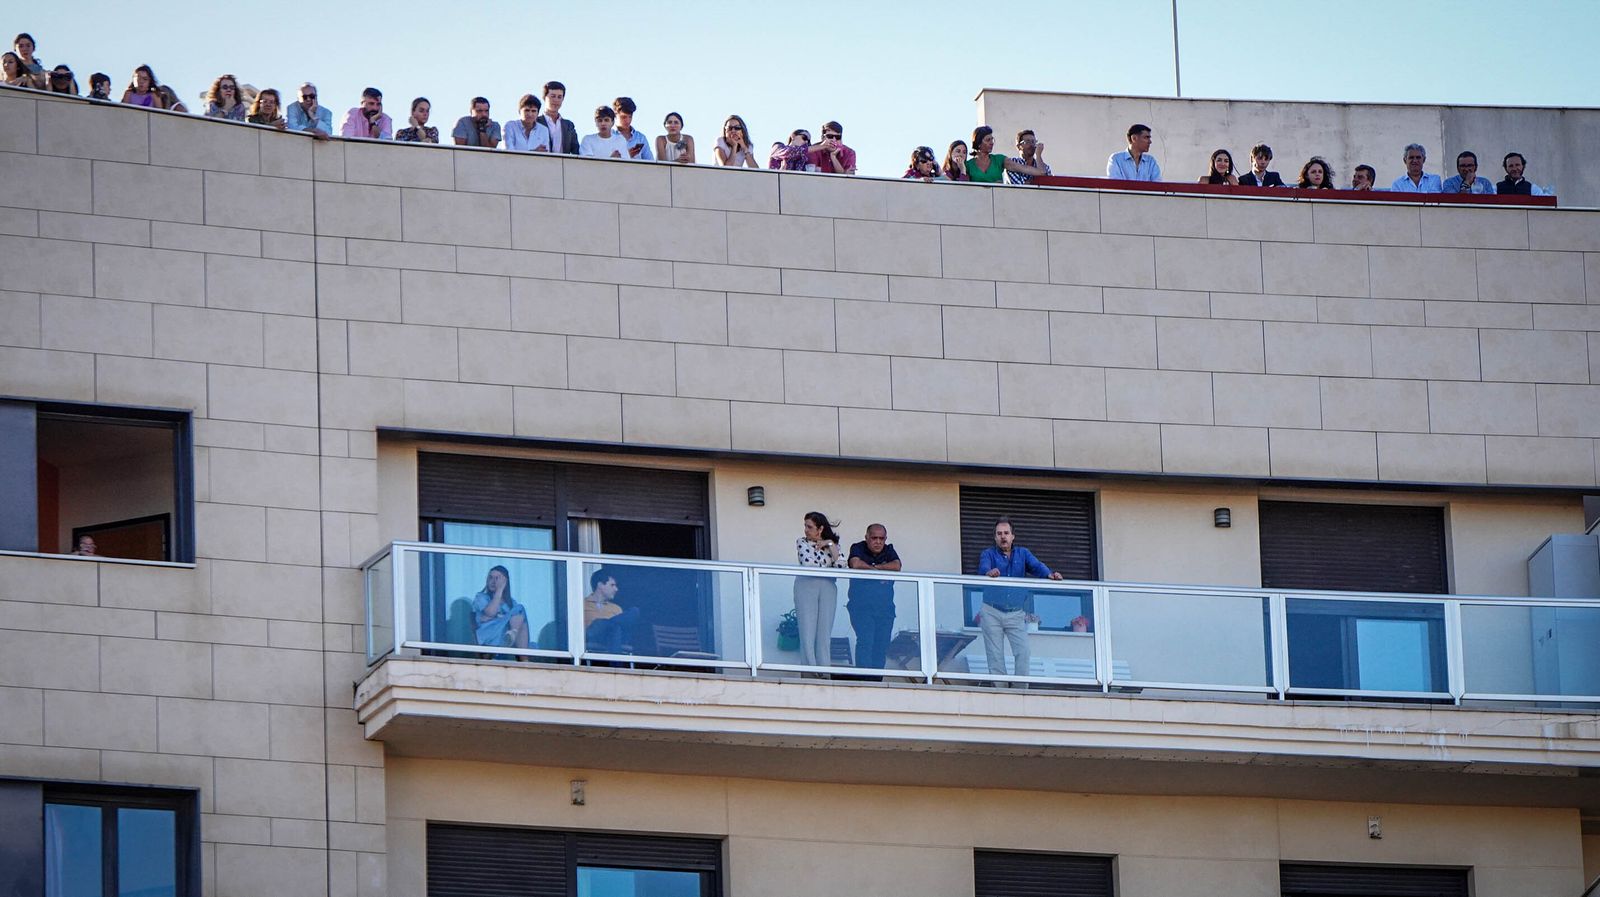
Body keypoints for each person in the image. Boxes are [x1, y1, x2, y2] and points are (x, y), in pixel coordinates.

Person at [977, 518, 1063, 685]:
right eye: (999, 534)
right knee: (995, 655)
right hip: (991, 610)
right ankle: (1001, 692)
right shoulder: (988, 554)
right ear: (994, 537)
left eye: (1006, 533)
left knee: (1023, 651)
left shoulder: (1023, 553)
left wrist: (1050, 575)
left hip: (1016, 612)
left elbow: (1037, 566)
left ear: (1013, 536)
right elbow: (983, 568)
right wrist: (989, 572)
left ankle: (1020, 690)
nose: (1003, 537)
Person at [794, 512, 848, 670]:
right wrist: (828, 565)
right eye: (805, 526)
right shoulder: (802, 542)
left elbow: (841, 565)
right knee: (807, 630)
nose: (806, 530)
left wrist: (830, 545)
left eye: (809, 527)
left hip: (828, 587)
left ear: (820, 529)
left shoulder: (832, 545)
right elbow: (808, 564)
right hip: (807, 586)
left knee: (824, 631)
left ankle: (824, 669)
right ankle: (809, 669)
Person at [847, 524, 902, 676]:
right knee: (866, 641)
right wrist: (881, 570)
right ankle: (863, 681)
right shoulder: (858, 547)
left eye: (881, 538)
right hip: (861, 607)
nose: (878, 542)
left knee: (882, 645)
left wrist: (872, 569)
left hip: (885, 609)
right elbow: (856, 564)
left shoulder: (889, 550)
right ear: (867, 538)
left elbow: (897, 566)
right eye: (874, 538)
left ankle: (876, 683)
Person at [584, 567, 640, 655]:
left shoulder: (616, 608)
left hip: (613, 638)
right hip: (592, 637)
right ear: (600, 585)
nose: (616, 589)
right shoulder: (582, 605)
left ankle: (615, 666)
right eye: (612, 585)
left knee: (633, 612)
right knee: (601, 623)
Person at [471, 565, 528, 650]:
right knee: (519, 609)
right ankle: (512, 634)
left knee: (520, 613)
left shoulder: (511, 603)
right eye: (490, 578)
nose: (493, 581)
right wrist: (499, 590)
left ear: (505, 582)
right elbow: (491, 612)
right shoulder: (481, 597)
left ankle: (523, 658)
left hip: (502, 635)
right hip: (487, 636)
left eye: (497, 578)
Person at [966, 126, 1048, 183]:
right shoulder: (968, 165)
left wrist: (1038, 155)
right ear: (978, 143)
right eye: (988, 140)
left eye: (992, 140)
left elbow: (1025, 169)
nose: (991, 143)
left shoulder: (999, 159)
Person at [541, 81, 579, 155]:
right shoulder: (536, 122)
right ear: (544, 97)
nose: (556, 100)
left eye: (559, 97)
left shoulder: (568, 125)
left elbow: (576, 150)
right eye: (553, 96)